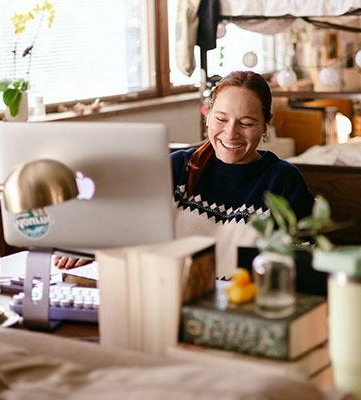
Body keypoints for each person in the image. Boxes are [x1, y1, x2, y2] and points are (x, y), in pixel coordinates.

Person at [55, 71, 314, 275]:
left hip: (242, 308)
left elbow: (303, 265)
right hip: (165, 297)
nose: (231, 133)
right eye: (221, 119)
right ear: (207, 116)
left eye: (246, 123)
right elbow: (124, 220)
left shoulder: (283, 182)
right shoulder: (177, 168)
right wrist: (90, 241)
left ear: (266, 125)